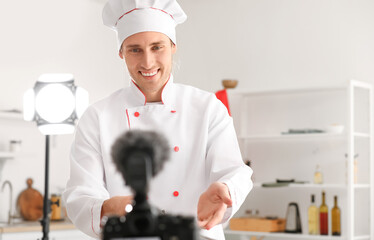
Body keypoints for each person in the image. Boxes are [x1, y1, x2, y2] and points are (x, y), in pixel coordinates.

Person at [62, 0, 253, 239]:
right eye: (135, 49)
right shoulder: (97, 117)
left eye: (157, 47)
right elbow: (80, 195)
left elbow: (236, 172)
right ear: (121, 53)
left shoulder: (207, 107)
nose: (148, 62)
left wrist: (224, 189)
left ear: (173, 46)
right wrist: (111, 207)